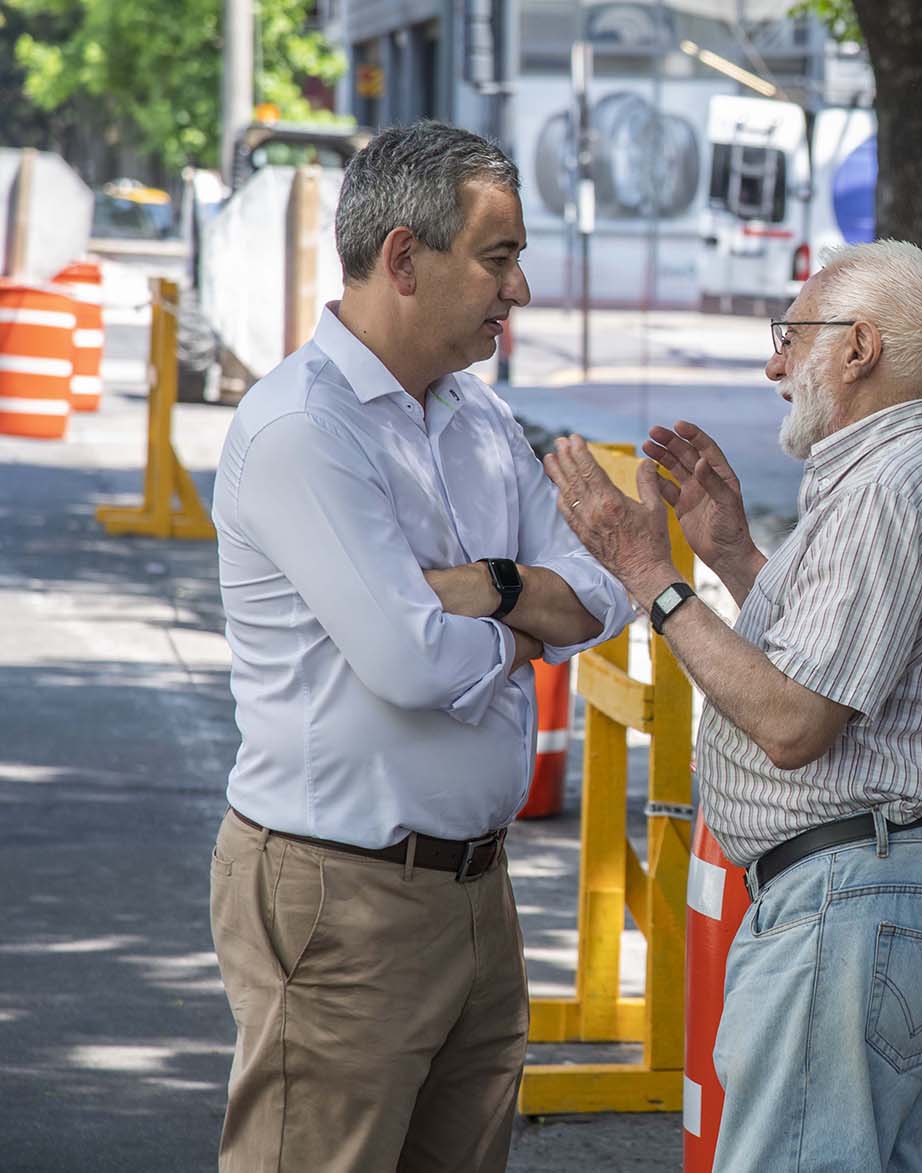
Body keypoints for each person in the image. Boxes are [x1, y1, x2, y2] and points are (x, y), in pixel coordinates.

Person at [541, 240, 922, 1171]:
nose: (775, 364)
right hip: (876, 889)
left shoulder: (894, 489)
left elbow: (793, 723)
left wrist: (651, 575)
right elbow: (854, 665)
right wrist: (734, 557)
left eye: (792, 336)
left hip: (857, 894)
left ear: (858, 348)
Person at [207, 121, 635, 1172]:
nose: (520, 289)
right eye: (500, 256)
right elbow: (410, 668)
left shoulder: (478, 421)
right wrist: (523, 630)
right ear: (405, 258)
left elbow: (603, 593)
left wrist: (486, 590)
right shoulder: (306, 430)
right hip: (341, 898)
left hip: (476, 893)